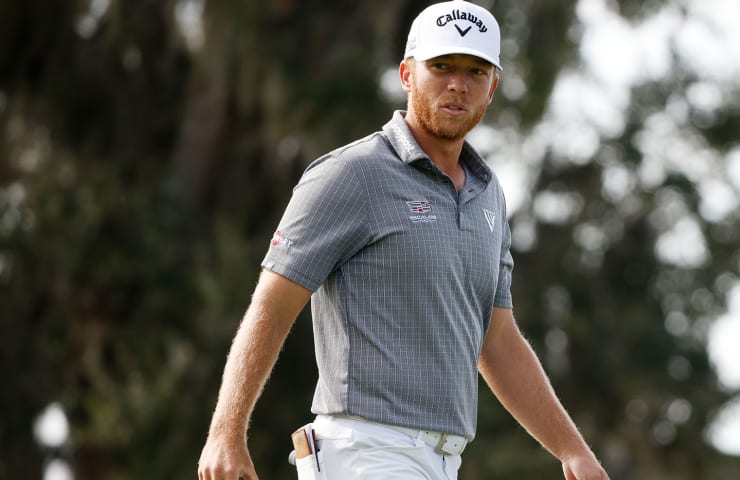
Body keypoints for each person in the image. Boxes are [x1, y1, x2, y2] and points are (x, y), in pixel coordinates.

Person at [198, 1, 610, 479]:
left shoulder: (489, 195)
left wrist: (571, 449)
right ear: (407, 74)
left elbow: (496, 340)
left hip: (441, 461)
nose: (458, 83)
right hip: (365, 452)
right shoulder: (351, 175)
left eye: (475, 71)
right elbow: (272, 302)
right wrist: (226, 431)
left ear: (492, 87)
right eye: (442, 67)